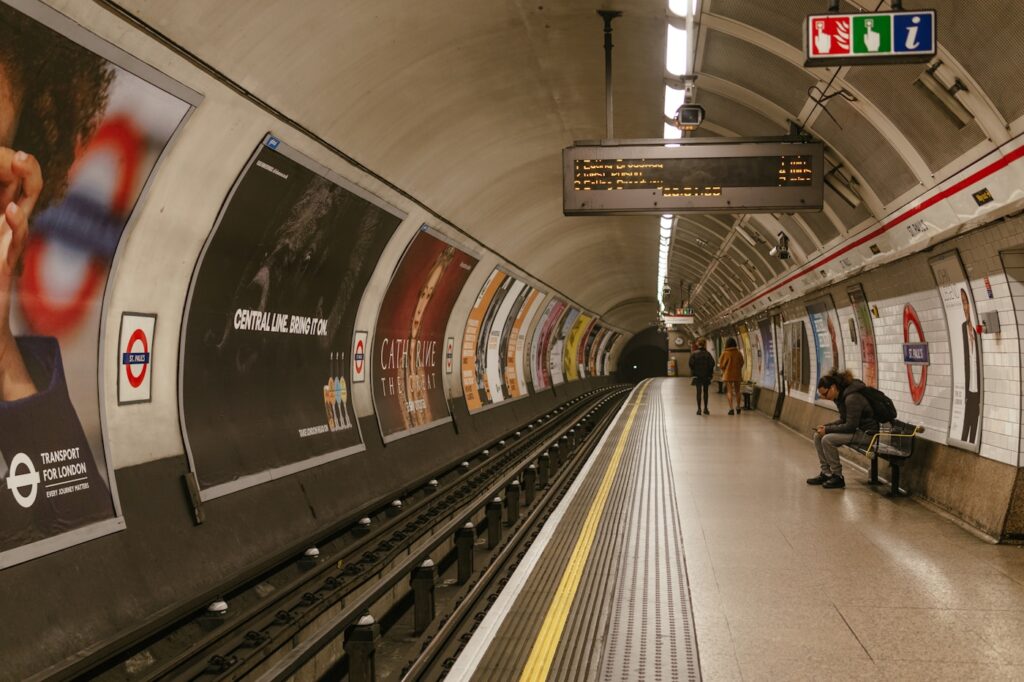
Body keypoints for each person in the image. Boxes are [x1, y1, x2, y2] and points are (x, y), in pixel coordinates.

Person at [807, 368, 878, 489]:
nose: (825, 397)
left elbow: (850, 425)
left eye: (825, 394)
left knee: (827, 439)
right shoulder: (841, 397)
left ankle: (837, 476)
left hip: (867, 434)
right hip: (857, 431)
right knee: (818, 436)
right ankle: (826, 473)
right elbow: (844, 420)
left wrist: (828, 431)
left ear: (833, 387)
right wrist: (826, 427)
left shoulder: (852, 398)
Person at [960, 289, 981, 443]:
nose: (965, 308)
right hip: (968, 389)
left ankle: (972, 442)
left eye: (966, 303)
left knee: (975, 421)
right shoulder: (962, 328)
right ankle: (962, 444)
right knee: (966, 422)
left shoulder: (977, 330)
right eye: (963, 304)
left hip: (978, 390)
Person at [718, 337, 744, 415]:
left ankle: (731, 408)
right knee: (737, 391)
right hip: (737, 374)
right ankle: (738, 407)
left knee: (729, 391)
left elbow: (721, 365)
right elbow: (742, 362)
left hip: (728, 374)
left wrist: (724, 369)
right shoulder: (738, 353)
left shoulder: (725, 353)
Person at [688, 337, 714, 415]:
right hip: (706, 376)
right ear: (705, 344)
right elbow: (712, 364)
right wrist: (709, 373)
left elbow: (690, 364)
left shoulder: (694, 354)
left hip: (697, 376)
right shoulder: (708, 354)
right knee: (705, 392)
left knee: (698, 392)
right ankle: (705, 408)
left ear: (698, 344)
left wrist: (694, 371)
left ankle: (699, 409)